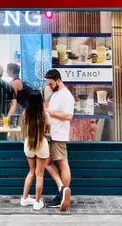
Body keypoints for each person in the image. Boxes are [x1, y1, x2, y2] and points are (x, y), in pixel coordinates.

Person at [44, 69, 75, 212]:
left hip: (59, 135)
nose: (49, 86)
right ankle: (62, 190)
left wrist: (50, 112)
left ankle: (63, 194)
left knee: (63, 164)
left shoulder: (66, 95)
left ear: (58, 80)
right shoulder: (56, 94)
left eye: (51, 84)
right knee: (48, 163)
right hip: (51, 135)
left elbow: (68, 116)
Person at [20, 90, 51, 211]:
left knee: (31, 172)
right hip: (41, 144)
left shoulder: (25, 114)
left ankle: (24, 198)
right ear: (40, 101)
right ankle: (37, 202)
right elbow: (48, 131)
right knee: (39, 175)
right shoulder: (45, 115)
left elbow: (23, 130)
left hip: (28, 144)